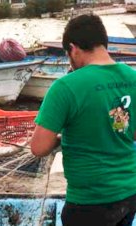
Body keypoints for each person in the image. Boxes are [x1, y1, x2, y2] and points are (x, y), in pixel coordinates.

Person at [30, 14, 136, 226]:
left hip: (89, 201)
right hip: (129, 193)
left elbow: (39, 147)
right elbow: (132, 133)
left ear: (73, 48)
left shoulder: (65, 87)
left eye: (68, 54)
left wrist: (59, 138)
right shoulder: (132, 77)